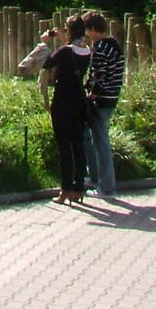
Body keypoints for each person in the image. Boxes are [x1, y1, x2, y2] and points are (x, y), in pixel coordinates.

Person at [42, 15, 93, 205]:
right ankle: (79, 188)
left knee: (64, 147)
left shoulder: (64, 52)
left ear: (69, 30)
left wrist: (46, 43)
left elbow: (47, 63)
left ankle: (65, 189)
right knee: (78, 145)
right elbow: (73, 50)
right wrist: (64, 39)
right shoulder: (87, 51)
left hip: (62, 101)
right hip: (79, 101)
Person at [82, 9, 125, 197]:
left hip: (101, 100)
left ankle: (106, 187)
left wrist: (91, 95)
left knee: (100, 142)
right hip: (112, 97)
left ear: (92, 29)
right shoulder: (114, 45)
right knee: (90, 137)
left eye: (87, 30)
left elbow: (100, 76)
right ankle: (95, 177)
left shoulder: (99, 48)